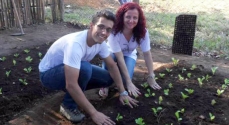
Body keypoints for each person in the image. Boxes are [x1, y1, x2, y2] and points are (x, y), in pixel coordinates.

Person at [38, 10, 138, 125]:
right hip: (48, 75)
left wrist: (123, 92)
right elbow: (71, 84)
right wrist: (94, 113)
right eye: (100, 27)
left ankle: (76, 92)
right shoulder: (75, 44)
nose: (104, 32)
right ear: (91, 26)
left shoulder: (101, 43)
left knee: (108, 79)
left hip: (70, 70)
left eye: (108, 30)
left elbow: (111, 66)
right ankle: (68, 106)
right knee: (84, 69)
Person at [99, 2, 161, 98]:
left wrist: (151, 75)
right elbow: (119, 57)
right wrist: (129, 82)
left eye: (135, 17)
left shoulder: (143, 32)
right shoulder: (114, 31)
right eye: (128, 17)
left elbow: (147, 54)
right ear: (122, 17)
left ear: (139, 19)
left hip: (129, 54)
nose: (131, 20)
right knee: (110, 58)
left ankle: (117, 76)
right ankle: (104, 84)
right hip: (113, 52)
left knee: (124, 81)